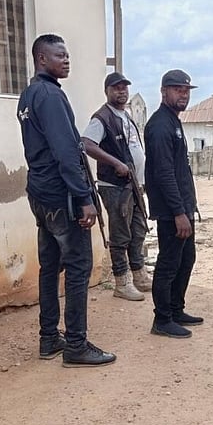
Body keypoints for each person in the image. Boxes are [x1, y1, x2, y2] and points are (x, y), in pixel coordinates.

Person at [17, 34, 116, 367]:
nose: (67, 59)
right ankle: (75, 344)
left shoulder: (29, 95)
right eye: (60, 55)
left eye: (67, 54)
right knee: (77, 266)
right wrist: (85, 197)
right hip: (62, 196)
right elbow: (66, 152)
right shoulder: (49, 95)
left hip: (41, 193)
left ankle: (49, 338)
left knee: (49, 266)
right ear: (42, 59)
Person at [81, 72, 152, 301]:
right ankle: (122, 282)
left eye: (124, 87)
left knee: (138, 230)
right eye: (116, 88)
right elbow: (86, 144)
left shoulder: (126, 116)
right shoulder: (102, 118)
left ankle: (139, 275)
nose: (121, 91)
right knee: (121, 235)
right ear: (107, 91)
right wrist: (115, 163)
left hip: (133, 186)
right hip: (115, 185)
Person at [144, 69, 203, 338]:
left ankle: (176, 309)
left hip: (182, 207)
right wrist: (179, 212)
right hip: (171, 211)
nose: (183, 94)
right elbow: (164, 173)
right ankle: (162, 319)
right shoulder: (160, 126)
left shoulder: (173, 122)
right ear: (163, 91)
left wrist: (189, 206)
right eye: (178, 89)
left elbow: (180, 170)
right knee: (169, 262)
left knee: (186, 258)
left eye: (186, 90)